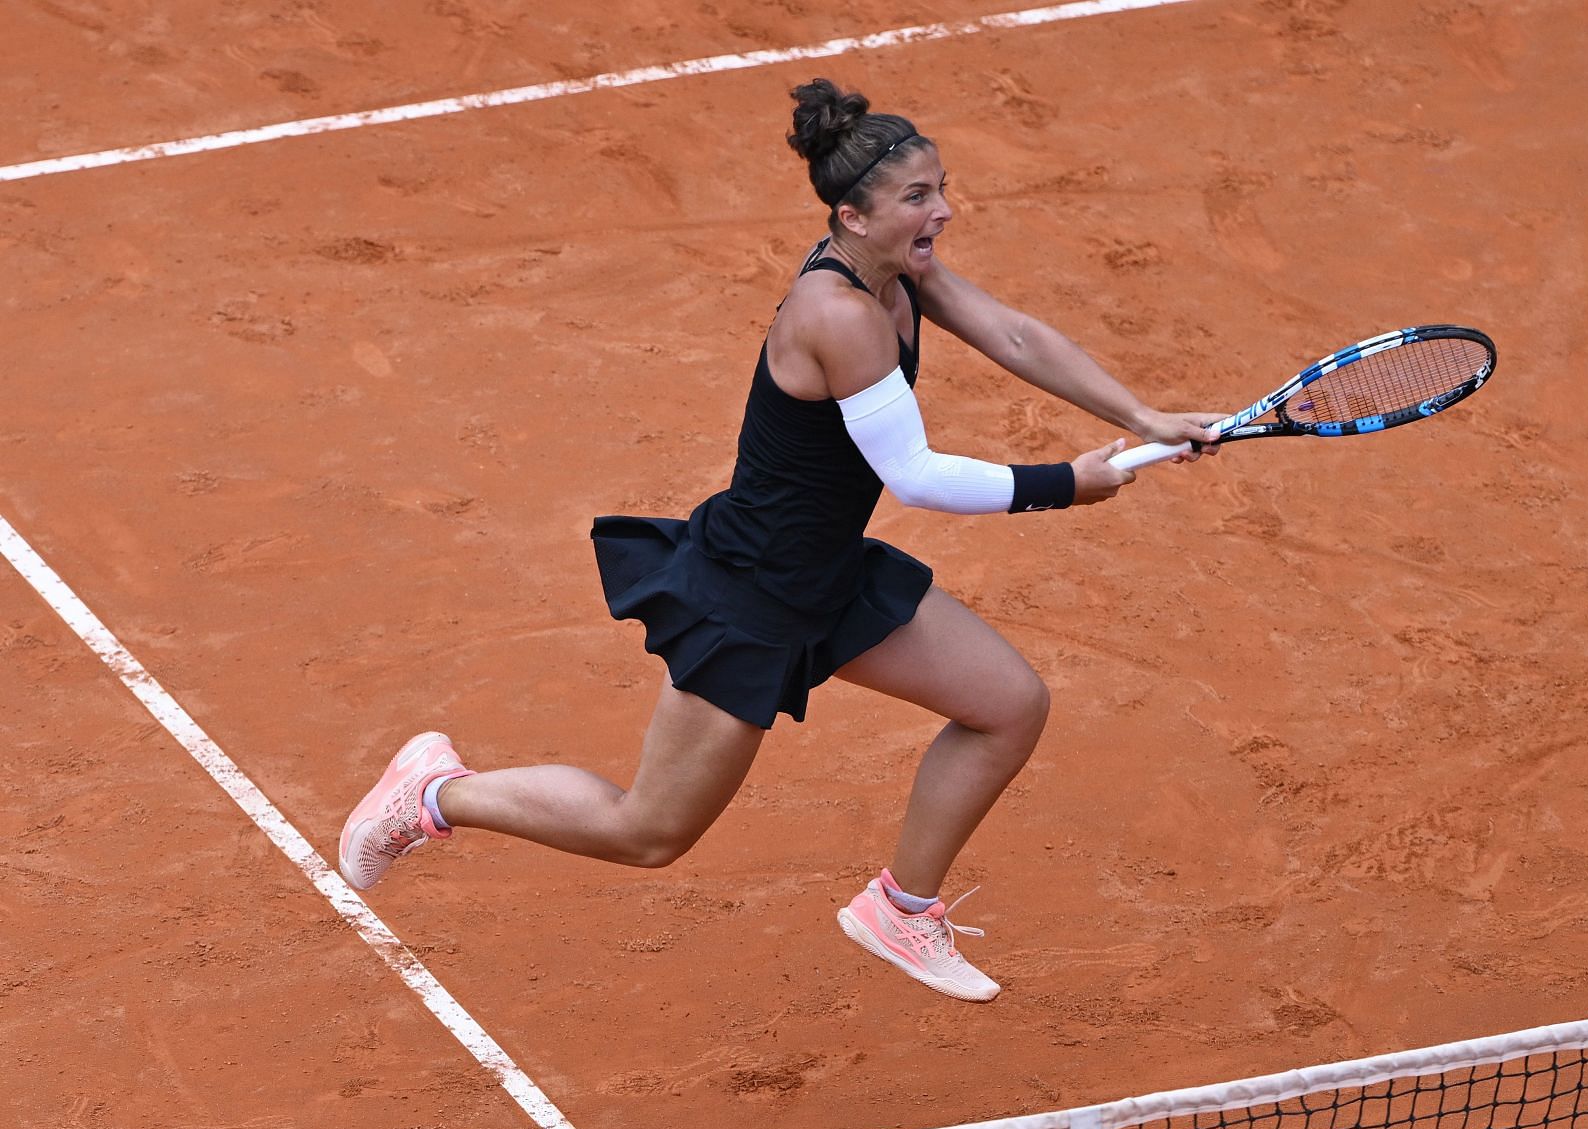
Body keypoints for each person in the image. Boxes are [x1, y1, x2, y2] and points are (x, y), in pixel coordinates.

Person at [338, 78, 1218, 1003]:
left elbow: (1016, 335)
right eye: (919, 198)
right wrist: (1065, 486)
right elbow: (914, 476)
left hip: (828, 575)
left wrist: (1142, 415)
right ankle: (437, 794)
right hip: (751, 595)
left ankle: (901, 909)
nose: (944, 212)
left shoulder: (894, 268)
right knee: (650, 831)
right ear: (852, 214)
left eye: (941, 188)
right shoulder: (836, 313)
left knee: (1007, 704)